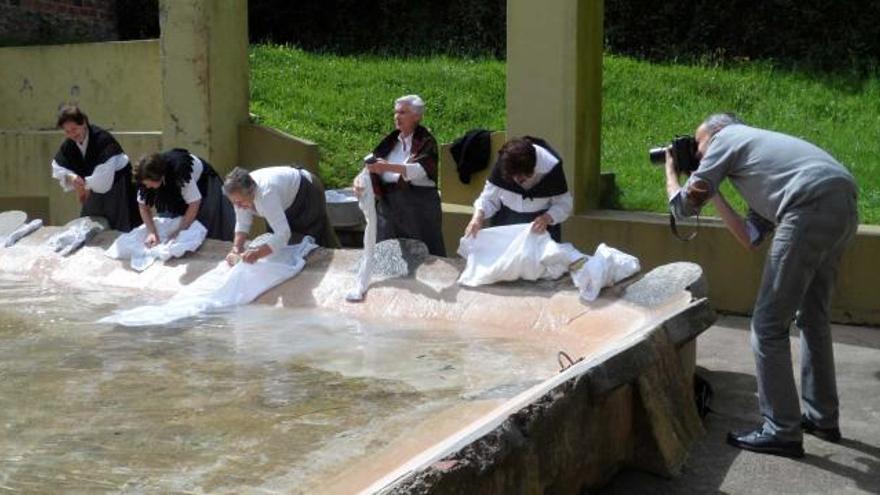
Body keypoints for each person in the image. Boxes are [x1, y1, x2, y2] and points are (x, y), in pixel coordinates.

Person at [666, 113, 858, 458]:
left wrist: (670, 171)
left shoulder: (726, 139)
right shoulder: (759, 157)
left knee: (767, 326)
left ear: (716, 132)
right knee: (813, 319)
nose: (697, 153)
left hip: (806, 204)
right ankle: (822, 417)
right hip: (840, 201)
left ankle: (781, 430)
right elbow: (751, 237)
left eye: (698, 144)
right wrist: (715, 192)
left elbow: (682, 207)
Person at [362, 94, 446, 256]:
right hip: (389, 205)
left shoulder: (426, 142)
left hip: (418, 206)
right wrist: (360, 179)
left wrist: (388, 167)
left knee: (423, 253)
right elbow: (373, 164)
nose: (396, 117)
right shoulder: (390, 141)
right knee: (387, 252)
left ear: (416, 116)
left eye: (402, 112)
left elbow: (420, 170)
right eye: (396, 112)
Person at [223, 166, 339, 265]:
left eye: (240, 202)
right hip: (285, 198)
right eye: (234, 202)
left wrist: (257, 254)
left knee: (314, 239)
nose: (237, 206)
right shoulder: (238, 193)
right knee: (280, 246)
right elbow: (242, 222)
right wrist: (237, 248)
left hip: (307, 191)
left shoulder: (266, 195)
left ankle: (337, 263)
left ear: (251, 191)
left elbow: (283, 233)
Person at [50, 105, 140, 231]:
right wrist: (72, 177)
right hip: (91, 186)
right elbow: (57, 166)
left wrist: (82, 185)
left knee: (119, 227)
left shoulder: (103, 140)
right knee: (90, 225)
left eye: (74, 129)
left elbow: (103, 182)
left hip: (117, 186)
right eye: (67, 131)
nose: (71, 134)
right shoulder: (70, 144)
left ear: (84, 123)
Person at [465, 136, 572, 242]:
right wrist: (478, 217)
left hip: (541, 225)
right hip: (505, 220)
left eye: (524, 178)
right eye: (514, 177)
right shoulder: (504, 163)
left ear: (534, 168)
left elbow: (564, 204)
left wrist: (547, 218)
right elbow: (488, 199)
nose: (518, 182)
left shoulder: (551, 167)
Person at [135, 149, 236, 244]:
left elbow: (194, 203)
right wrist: (152, 232)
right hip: (175, 187)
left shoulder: (180, 173)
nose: (147, 187)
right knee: (171, 220)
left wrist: (180, 232)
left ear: (160, 177)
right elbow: (143, 206)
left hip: (204, 184)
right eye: (145, 184)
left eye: (150, 184)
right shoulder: (145, 178)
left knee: (207, 225)